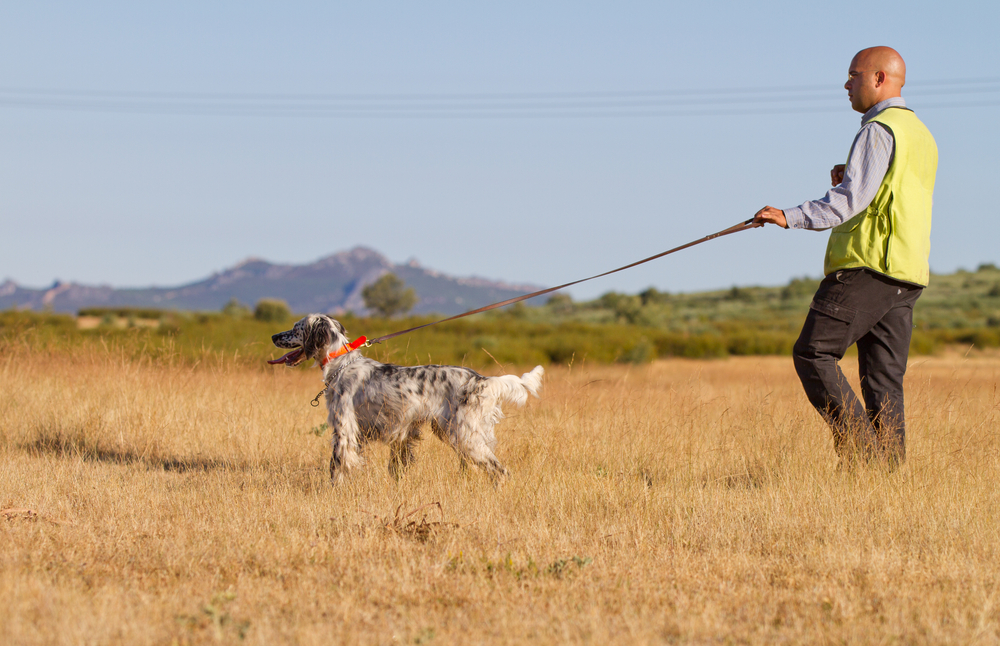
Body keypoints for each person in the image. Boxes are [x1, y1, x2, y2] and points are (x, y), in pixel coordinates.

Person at [753, 46, 938, 468]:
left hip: (867, 266)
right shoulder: (921, 134)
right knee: (883, 381)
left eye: (854, 75)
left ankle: (862, 452)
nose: (846, 83)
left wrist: (790, 216)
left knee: (813, 352)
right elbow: (887, 195)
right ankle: (884, 481)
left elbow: (849, 202)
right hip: (906, 274)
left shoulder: (878, 130)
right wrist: (847, 178)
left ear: (879, 79)